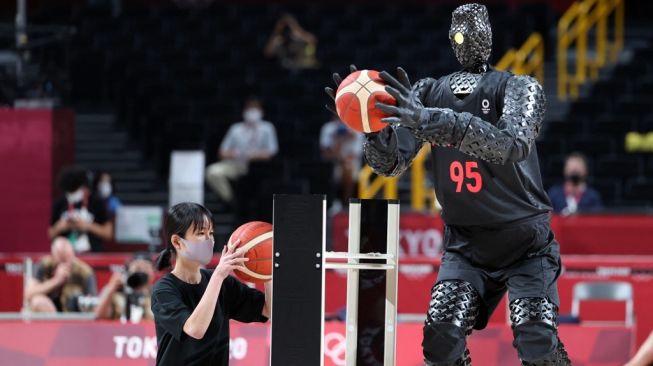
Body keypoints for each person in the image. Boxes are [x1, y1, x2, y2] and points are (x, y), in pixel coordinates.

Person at [326, 4, 570, 365]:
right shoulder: (426, 92)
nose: (464, 39)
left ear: (489, 34)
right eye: (456, 33)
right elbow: (390, 165)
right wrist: (374, 131)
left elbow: (511, 146)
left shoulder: (521, 88)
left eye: (472, 30)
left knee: (536, 335)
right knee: (440, 338)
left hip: (525, 242)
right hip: (466, 242)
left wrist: (433, 120)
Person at [151, 202, 271, 366]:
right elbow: (195, 329)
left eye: (211, 233)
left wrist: (268, 273)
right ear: (177, 242)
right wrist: (218, 275)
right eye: (201, 233)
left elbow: (267, 309)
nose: (209, 240)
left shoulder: (222, 283)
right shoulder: (163, 290)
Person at [205, 98, 278, 204]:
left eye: (255, 108)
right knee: (212, 172)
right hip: (235, 165)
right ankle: (231, 201)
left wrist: (253, 155)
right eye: (250, 108)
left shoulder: (267, 128)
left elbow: (271, 152)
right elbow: (222, 153)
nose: (252, 112)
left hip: (258, 167)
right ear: (244, 111)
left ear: (261, 111)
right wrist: (234, 154)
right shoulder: (235, 129)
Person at [49, 166, 112, 252]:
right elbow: (50, 233)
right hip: (66, 254)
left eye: (75, 190)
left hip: (92, 254)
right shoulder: (60, 203)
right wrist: (60, 227)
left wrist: (88, 226)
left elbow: (108, 233)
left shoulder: (97, 202)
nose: (72, 194)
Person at [25, 237, 97, 313]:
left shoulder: (84, 271)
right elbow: (28, 293)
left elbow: (93, 302)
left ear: (73, 254)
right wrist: (56, 281)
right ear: (53, 256)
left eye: (68, 260)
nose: (64, 265)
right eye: (61, 261)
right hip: (49, 316)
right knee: (38, 301)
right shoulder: (44, 265)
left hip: (74, 316)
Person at [319, 115, 364, 211]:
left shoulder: (357, 129)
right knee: (332, 168)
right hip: (333, 162)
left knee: (348, 167)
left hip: (350, 163)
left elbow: (355, 154)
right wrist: (340, 139)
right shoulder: (328, 129)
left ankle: (346, 203)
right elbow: (325, 153)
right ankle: (332, 201)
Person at [94, 254, 155, 321]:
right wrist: (111, 288)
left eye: (146, 268)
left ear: (153, 272)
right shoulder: (116, 291)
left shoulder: (158, 294)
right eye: (138, 268)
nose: (141, 272)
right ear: (128, 270)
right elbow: (99, 316)